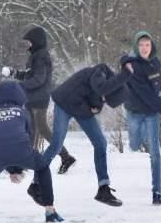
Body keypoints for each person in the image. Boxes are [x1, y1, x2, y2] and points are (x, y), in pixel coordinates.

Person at [26, 62, 133, 207]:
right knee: (56, 144)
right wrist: (126, 73)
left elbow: (97, 101)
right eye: (106, 99)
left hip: (80, 107)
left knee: (100, 143)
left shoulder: (103, 89)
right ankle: (35, 185)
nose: (104, 101)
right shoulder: (99, 74)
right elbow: (99, 91)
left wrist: (97, 106)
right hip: (64, 103)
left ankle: (103, 188)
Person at [0, 81, 63, 223]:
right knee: (42, 167)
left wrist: (11, 169)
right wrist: (17, 168)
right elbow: (26, 139)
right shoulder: (23, 112)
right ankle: (50, 211)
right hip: (21, 150)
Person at [2, 26, 77, 174]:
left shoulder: (41, 56)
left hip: (39, 98)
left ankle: (64, 156)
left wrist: (20, 86)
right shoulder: (36, 55)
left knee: (40, 129)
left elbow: (39, 79)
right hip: (33, 98)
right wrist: (14, 73)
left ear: (36, 41)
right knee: (31, 129)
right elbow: (30, 75)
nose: (28, 45)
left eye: (30, 42)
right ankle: (59, 157)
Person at [121, 31, 161, 206]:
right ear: (136, 47)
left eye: (147, 45)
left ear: (151, 46)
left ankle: (157, 193)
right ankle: (139, 139)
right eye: (141, 46)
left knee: (155, 153)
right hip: (134, 112)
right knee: (133, 145)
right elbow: (146, 93)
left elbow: (155, 87)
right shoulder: (133, 67)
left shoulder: (156, 63)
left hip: (151, 114)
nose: (144, 48)